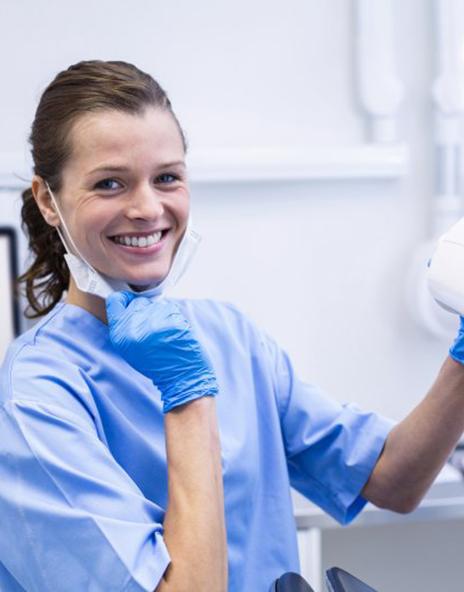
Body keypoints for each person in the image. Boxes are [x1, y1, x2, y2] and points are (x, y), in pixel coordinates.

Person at [1, 59, 464, 592]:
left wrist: (463, 356)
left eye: (167, 178)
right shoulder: (33, 398)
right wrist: (188, 392)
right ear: (47, 200)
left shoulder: (229, 336)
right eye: (110, 184)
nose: (148, 208)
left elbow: (392, 480)